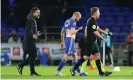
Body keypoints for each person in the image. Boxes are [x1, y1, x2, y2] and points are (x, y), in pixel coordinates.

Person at [70, 7, 112, 76]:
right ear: (95, 13)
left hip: (94, 42)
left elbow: (97, 28)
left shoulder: (93, 20)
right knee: (86, 57)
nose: (99, 14)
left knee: (98, 56)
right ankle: (73, 69)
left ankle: (101, 72)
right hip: (90, 42)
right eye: (98, 12)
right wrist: (102, 38)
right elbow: (95, 31)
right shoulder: (92, 21)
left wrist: (106, 33)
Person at [56, 12, 86, 76]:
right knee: (66, 56)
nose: (78, 19)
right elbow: (72, 32)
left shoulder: (67, 21)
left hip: (68, 39)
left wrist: (62, 41)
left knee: (75, 56)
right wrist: (78, 29)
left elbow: (62, 31)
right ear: (75, 16)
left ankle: (79, 72)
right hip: (70, 40)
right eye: (78, 18)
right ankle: (58, 71)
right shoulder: (73, 22)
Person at [16, 7, 41, 76]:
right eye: (37, 12)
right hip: (29, 41)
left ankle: (23, 67)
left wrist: (36, 33)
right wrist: (33, 35)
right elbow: (29, 30)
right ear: (33, 13)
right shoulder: (31, 20)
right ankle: (30, 71)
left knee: (33, 55)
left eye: (39, 12)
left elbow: (31, 30)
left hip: (30, 41)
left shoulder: (33, 20)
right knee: (33, 55)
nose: (39, 13)